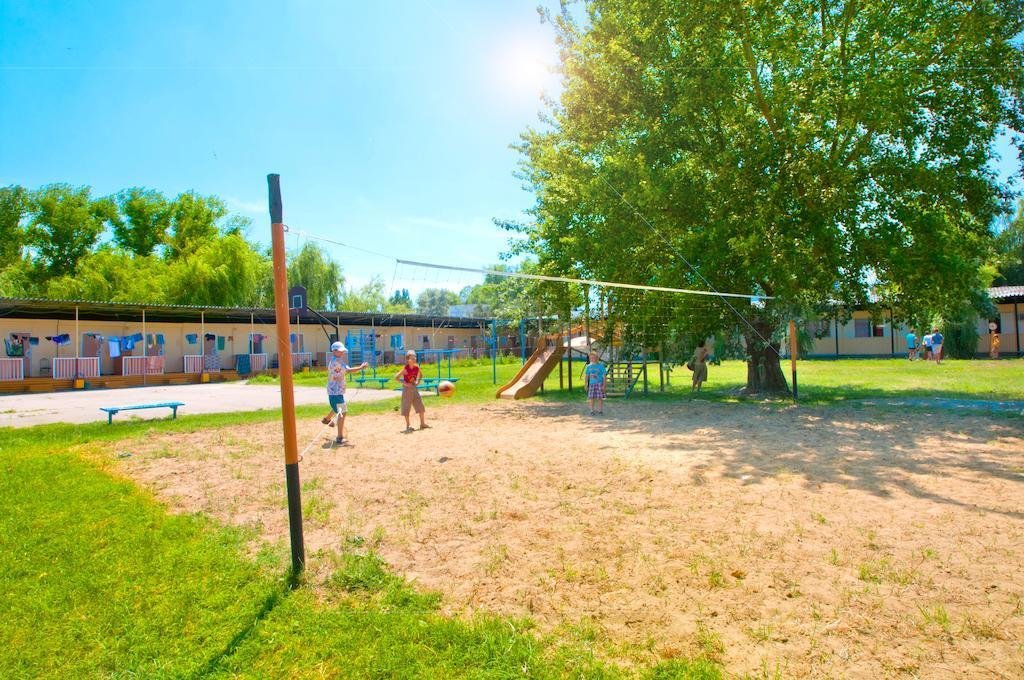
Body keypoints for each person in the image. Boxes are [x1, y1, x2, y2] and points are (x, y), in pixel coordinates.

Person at [320, 341, 368, 446]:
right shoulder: (335, 362)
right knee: (342, 411)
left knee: (338, 408)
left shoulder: (338, 360)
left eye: (343, 351)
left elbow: (347, 369)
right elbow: (348, 370)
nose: (342, 352)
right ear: (334, 351)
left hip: (337, 391)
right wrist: (360, 368)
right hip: (335, 391)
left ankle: (327, 419)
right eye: (340, 351)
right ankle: (340, 437)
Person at [394, 349, 429, 432]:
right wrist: (405, 384)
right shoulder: (405, 369)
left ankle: (422, 424)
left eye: (415, 357)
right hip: (407, 390)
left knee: (420, 405)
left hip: (414, 388)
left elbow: (421, 375)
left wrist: (417, 382)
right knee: (406, 407)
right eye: (412, 358)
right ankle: (408, 425)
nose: (414, 359)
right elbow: (396, 377)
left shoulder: (416, 367)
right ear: (408, 360)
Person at [582, 350, 607, 415]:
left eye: (594, 357)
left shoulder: (601, 366)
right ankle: (592, 410)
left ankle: (600, 410)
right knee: (591, 398)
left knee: (600, 398)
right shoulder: (589, 366)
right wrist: (586, 384)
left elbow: (604, 377)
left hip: (599, 384)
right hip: (592, 384)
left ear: (597, 358)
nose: (593, 359)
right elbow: (587, 376)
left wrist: (604, 385)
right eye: (591, 358)